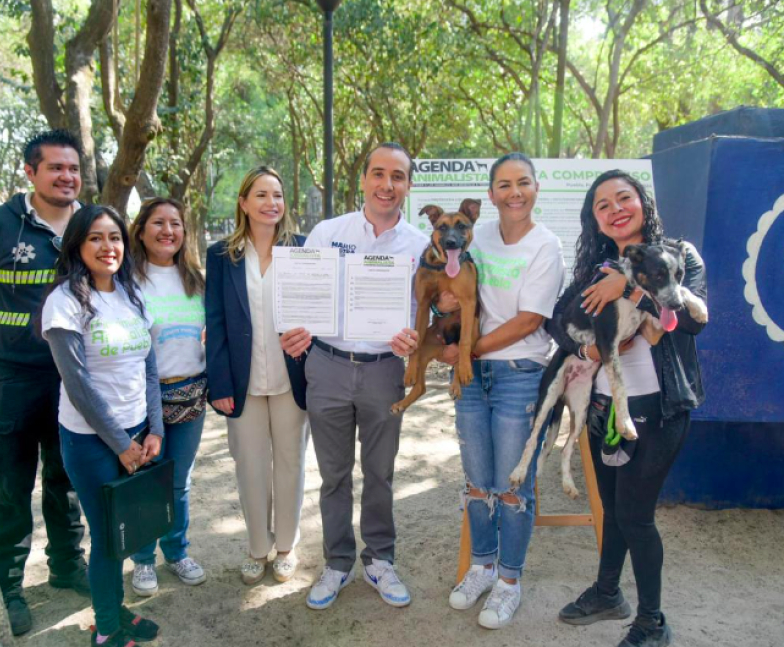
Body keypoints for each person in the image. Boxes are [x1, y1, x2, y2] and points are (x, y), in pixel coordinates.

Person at [550, 170, 707, 647]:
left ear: (643, 202)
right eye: (603, 205)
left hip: (660, 408)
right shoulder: (593, 269)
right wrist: (584, 353)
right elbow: (559, 324)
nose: (616, 209)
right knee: (615, 509)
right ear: (595, 220)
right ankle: (606, 594)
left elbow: (689, 321)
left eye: (625, 198)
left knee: (636, 515)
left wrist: (629, 288)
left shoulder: (680, 255)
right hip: (604, 407)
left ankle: (652, 622)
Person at [0, 129, 88, 635]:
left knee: (67, 477)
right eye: (56, 168)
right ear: (30, 172)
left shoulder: (89, 224)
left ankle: (67, 565)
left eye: (73, 168)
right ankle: (8, 586)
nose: (67, 176)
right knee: (11, 483)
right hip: (13, 379)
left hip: (74, 377)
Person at [288, 142, 423, 610]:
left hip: (385, 370)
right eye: (379, 174)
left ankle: (380, 559)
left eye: (398, 176)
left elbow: (424, 313)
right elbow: (303, 298)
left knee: (380, 473)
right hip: (325, 366)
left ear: (408, 184)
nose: (387, 185)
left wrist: (415, 339)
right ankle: (338, 562)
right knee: (333, 475)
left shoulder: (420, 245)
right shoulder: (327, 233)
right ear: (363, 178)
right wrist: (293, 332)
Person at [440, 153, 564, 629]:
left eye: (524, 183)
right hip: (472, 378)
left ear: (536, 189)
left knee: (512, 485)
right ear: (490, 195)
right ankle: (482, 567)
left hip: (518, 372)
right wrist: (444, 320)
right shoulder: (474, 236)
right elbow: (450, 298)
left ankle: (510, 581)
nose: (515, 192)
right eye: (505, 185)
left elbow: (529, 321)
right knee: (476, 480)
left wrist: (467, 353)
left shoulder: (546, 246)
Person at [40, 205, 164, 647]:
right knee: (108, 537)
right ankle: (107, 629)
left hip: (138, 433)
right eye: (95, 237)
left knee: (126, 533)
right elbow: (79, 387)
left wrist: (155, 431)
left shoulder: (132, 293)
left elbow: (150, 370)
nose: (107, 246)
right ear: (77, 244)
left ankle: (114, 610)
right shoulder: (64, 302)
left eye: (114, 236)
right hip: (91, 441)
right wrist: (120, 445)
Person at [205, 167, 310, 585]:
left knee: (291, 463)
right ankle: (256, 546)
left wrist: (311, 339)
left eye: (278, 195)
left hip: (292, 378)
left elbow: (320, 310)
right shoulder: (220, 256)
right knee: (250, 465)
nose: (271, 203)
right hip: (241, 381)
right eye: (262, 195)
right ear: (244, 203)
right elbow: (214, 321)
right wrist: (219, 383)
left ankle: (285, 546)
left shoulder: (302, 250)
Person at [127, 198, 209, 596]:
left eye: (175, 223)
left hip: (191, 392)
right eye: (157, 223)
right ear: (141, 230)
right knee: (146, 479)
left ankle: (176, 552)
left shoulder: (195, 278)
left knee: (178, 481)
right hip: (145, 397)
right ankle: (142, 561)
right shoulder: (127, 279)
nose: (167, 231)